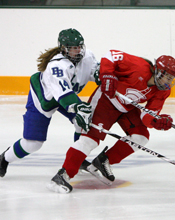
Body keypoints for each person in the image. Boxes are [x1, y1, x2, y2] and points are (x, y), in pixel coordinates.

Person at [47, 50, 175, 193]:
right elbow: (110, 55)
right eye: (167, 77)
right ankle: (63, 175)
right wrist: (108, 75)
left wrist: (156, 121)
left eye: (172, 78)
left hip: (128, 108)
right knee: (90, 140)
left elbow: (147, 116)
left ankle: (103, 161)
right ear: (158, 71)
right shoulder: (138, 66)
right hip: (106, 101)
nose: (169, 82)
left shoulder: (163, 91)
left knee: (141, 137)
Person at [0, 28, 100, 178]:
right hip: (44, 97)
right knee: (33, 144)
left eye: (79, 46)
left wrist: (102, 75)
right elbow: (63, 93)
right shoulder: (56, 66)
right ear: (64, 49)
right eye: (73, 48)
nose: (78, 50)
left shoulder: (88, 56)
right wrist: (78, 107)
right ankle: (3, 159)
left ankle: (78, 159)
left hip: (65, 95)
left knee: (82, 122)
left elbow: (93, 72)